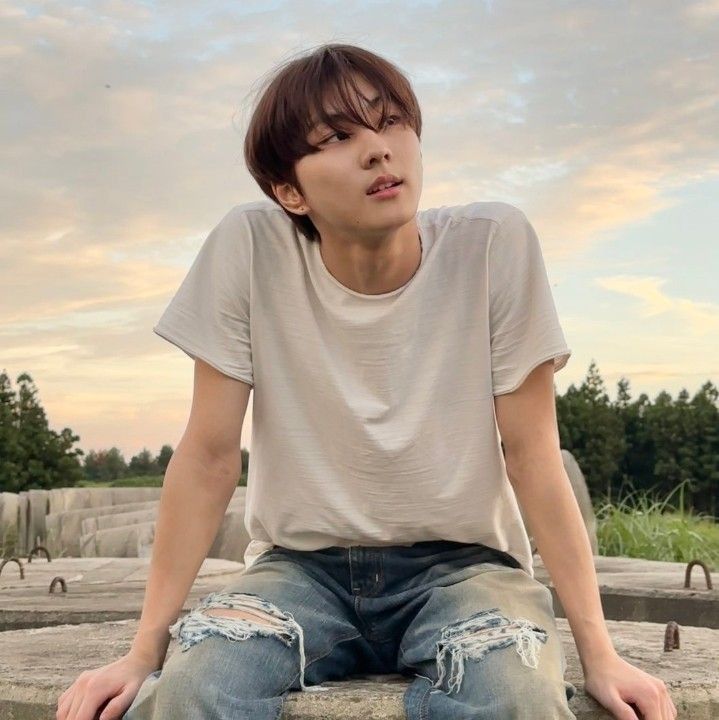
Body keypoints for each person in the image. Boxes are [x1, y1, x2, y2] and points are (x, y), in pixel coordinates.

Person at [56, 43, 677, 720]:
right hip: (300, 569)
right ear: (287, 190)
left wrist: (600, 653)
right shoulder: (248, 248)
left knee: (513, 694)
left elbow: (530, 453)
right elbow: (208, 455)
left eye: (391, 123)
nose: (379, 151)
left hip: (467, 569)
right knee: (195, 685)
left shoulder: (492, 243)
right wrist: (144, 652)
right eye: (338, 137)